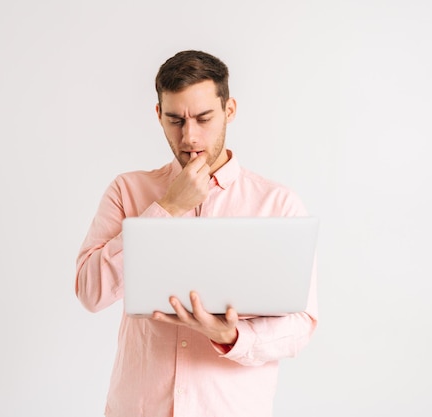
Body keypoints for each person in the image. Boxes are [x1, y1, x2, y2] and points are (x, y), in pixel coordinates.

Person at [75, 50, 318, 417]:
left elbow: (301, 326)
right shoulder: (127, 191)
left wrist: (233, 338)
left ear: (229, 110)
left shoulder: (277, 204)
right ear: (158, 116)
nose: (189, 136)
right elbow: (90, 292)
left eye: (204, 118)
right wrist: (167, 209)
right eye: (175, 120)